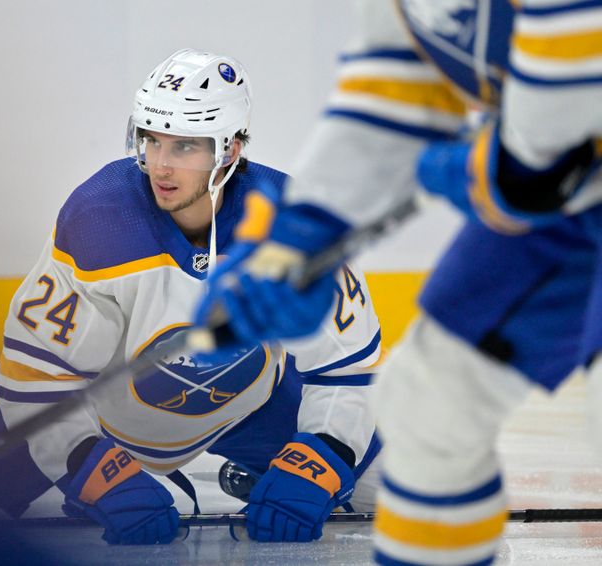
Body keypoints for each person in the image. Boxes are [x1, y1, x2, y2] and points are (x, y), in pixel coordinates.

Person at [193, 2, 602, 564]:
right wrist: (306, 228)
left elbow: (570, 90)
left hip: (561, 185)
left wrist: (517, 166)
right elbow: (397, 84)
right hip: (566, 202)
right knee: (430, 407)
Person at [0, 48, 384, 545]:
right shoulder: (100, 218)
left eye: (185, 146)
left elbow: (347, 364)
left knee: (397, 490)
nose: (160, 166)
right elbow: (40, 378)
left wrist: (318, 459)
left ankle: (262, 469)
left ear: (229, 150)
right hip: (94, 406)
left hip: (248, 403)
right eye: (151, 140)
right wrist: (92, 467)